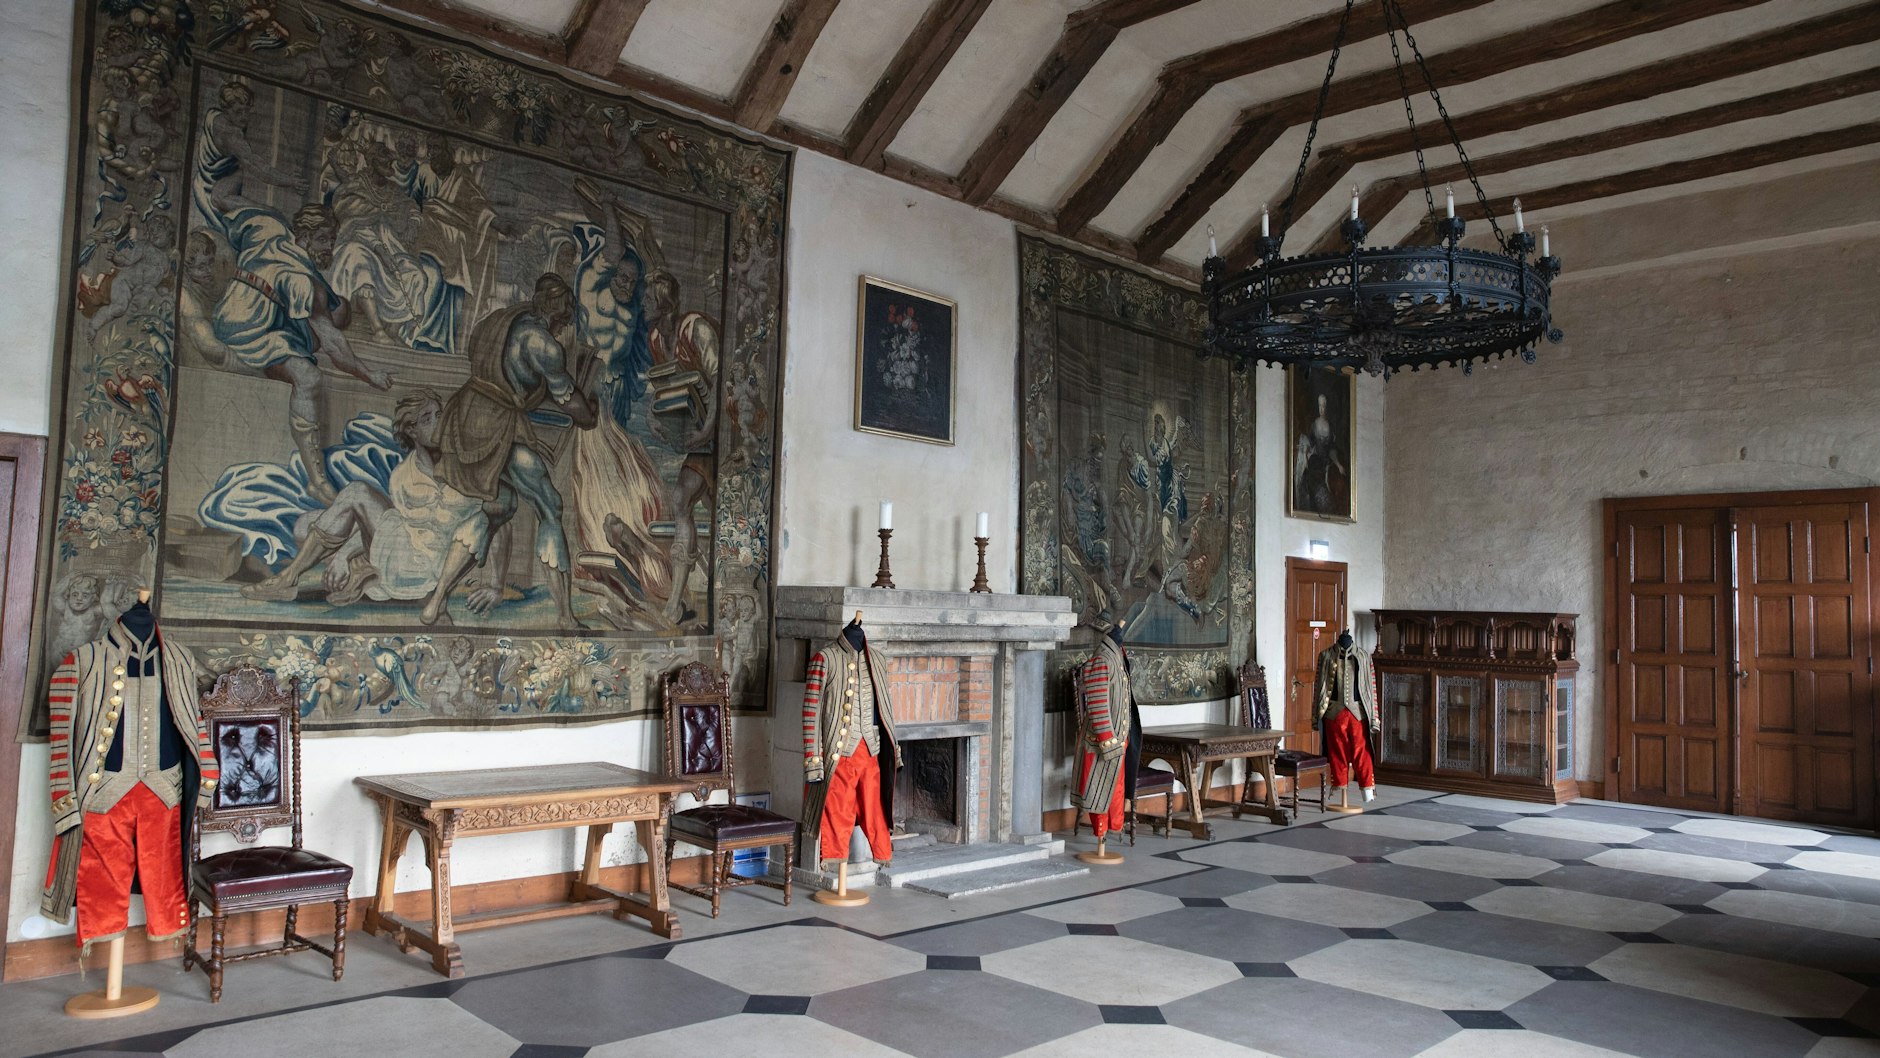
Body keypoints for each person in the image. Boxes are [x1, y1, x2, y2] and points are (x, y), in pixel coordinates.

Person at [240, 391, 503, 617]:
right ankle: (333, 568)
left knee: (354, 496)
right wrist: (344, 554)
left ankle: (290, 578)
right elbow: (394, 525)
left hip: (434, 569)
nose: (438, 423)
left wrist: (495, 584)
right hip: (403, 558)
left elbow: (498, 524)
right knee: (304, 525)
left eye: (439, 415)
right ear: (411, 430)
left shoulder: (467, 467)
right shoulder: (403, 476)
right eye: (427, 419)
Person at [431, 274, 596, 626]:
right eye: (567, 316)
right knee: (549, 504)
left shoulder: (499, 320)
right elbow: (570, 401)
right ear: (558, 310)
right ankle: (566, 617)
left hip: (467, 415)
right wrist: (590, 413)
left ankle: (435, 602)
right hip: (498, 426)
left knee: (499, 506)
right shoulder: (545, 345)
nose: (567, 324)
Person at [1294, 392, 1348, 515]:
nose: (1322, 409)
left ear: (1327, 406)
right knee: (1314, 483)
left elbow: (1332, 450)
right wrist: (1305, 451)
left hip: (1327, 461)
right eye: (1320, 406)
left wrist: (1338, 465)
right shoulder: (1314, 425)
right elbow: (1310, 444)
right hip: (1315, 461)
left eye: (1324, 406)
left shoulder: (1331, 427)